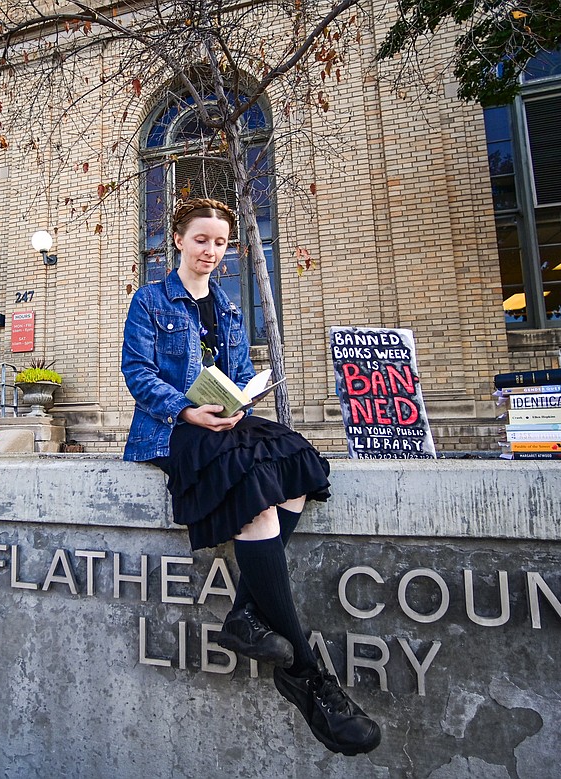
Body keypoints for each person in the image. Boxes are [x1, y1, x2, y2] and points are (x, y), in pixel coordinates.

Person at [121, 197, 382, 756]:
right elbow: (137, 372)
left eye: (220, 243)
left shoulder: (230, 309)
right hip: (172, 429)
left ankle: (245, 614)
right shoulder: (150, 300)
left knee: (297, 463)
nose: (211, 251)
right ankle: (309, 676)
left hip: (223, 421)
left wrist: (239, 401)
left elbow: (238, 373)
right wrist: (189, 410)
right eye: (201, 240)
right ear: (178, 241)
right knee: (256, 494)